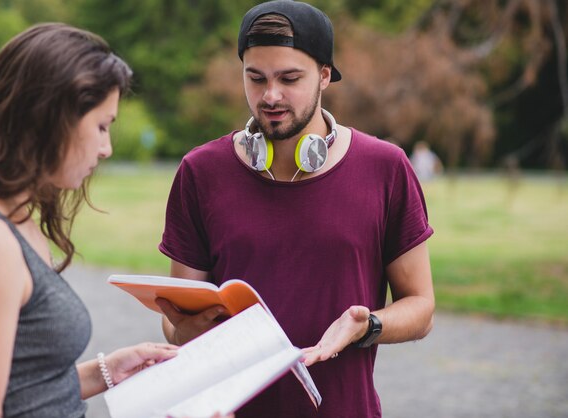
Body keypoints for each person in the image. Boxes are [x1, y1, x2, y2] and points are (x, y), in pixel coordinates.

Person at [157, 1, 435, 417]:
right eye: (256, 78)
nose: (270, 96)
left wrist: (367, 326)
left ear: (325, 74)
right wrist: (187, 329)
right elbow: (176, 323)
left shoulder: (386, 167)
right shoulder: (200, 172)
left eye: (289, 78)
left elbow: (421, 307)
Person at [0, 23, 182, 418]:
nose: (106, 149)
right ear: (51, 119)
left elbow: (23, 386)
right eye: (101, 126)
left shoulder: (17, 219)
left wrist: (104, 372)